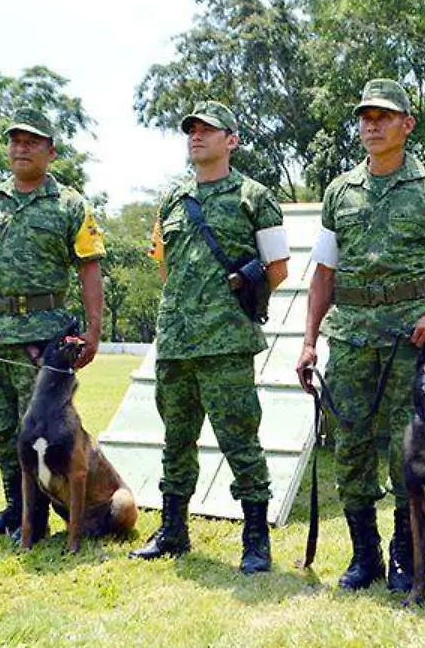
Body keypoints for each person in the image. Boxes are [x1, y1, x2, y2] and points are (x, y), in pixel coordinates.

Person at [295, 79, 425, 592]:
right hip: (351, 340)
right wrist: (310, 341)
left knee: (408, 448)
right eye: (365, 117)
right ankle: (364, 555)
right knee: (350, 446)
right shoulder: (339, 191)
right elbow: (323, 275)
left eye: (383, 116)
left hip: (410, 344)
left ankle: (404, 555)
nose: (371, 124)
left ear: (407, 124)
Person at [129, 100, 289, 574]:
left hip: (226, 344)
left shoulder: (254, 196)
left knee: (240, 441)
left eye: (208, 130)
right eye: (191, 130)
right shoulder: (173, 199)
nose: (196, 136)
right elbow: (164, 265)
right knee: (176, 439)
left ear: (231, 140)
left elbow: (277, 268)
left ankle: (255, 539)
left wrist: (227, 303)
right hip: (176, 342)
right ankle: (174, 530)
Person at [0, 107, 106, 543]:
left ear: (51, 152)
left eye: (32, 141)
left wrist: (93, 330)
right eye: (15, 140)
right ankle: (17, 512)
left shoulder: (71, 206)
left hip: (44, 343)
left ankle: (47, 518)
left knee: (46, 433)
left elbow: (90, 269)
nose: (21, 148)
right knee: (4, 432)